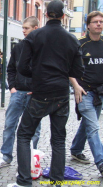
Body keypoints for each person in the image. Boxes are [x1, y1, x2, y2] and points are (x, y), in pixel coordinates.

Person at [7, 1, 84, 186]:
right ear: (63, 16)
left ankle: (24, 180)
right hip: (61, 94)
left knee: (24, 134)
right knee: (58, 138)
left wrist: (39, 75)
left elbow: (22, 67)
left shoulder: (35, 36)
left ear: (46, 15)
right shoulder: (72, 39)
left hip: (41, 92)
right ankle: (56, 182)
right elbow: (78, 72)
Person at [0, 16, 41, 169]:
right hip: (18, 92)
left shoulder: (42, 48)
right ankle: (5, 157)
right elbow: (11, 69)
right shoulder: (18, 48)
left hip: (34, 95)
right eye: (23, 28)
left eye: (26, 28)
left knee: (34, 128)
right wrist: (12, 87)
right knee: (9, 125)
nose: (23, 31)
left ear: (35, 28)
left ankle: (30, 161)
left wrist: (38, 89)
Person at [70, 11, 103, 175]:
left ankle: (76, 149)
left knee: (88, 124)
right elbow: (68, 66)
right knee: (93, 127)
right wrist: (75, 85)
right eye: (95, 22)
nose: (99, 24)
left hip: (99, 93)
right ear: (88, 25)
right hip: (84, 91)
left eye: (101, 22)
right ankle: (101, 162)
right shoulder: (80, 44)